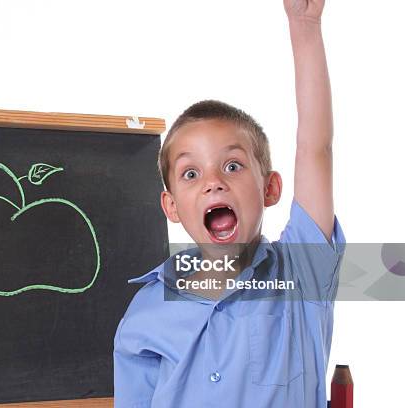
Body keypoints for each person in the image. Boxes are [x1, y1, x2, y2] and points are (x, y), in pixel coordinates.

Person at [113, 1, 346, 407]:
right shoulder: (145, 312)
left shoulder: (301, 272)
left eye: (233, 166)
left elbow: (316, 148)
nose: (213, 183)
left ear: (270, 189)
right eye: (191, 174)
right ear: (171, 207)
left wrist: (304, 27)